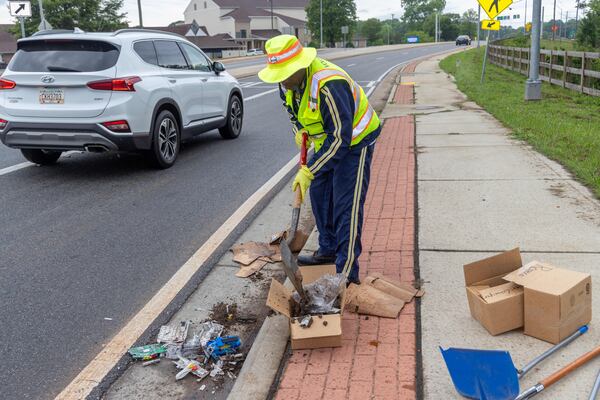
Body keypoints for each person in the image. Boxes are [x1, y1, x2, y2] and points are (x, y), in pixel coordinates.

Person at [258, 35, 381, 285]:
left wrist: (309, 169)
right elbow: (295, 116)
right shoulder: (286, 86)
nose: (282, 80)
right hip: (329, 139)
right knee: (320, 194)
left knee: (346, 207)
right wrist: (299, 132)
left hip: (356, 139)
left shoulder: (328, 85)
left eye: (286, 74)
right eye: (279, 75)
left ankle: (346, 276)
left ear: (301, 67)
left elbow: (340, 139)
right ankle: (327, 249)